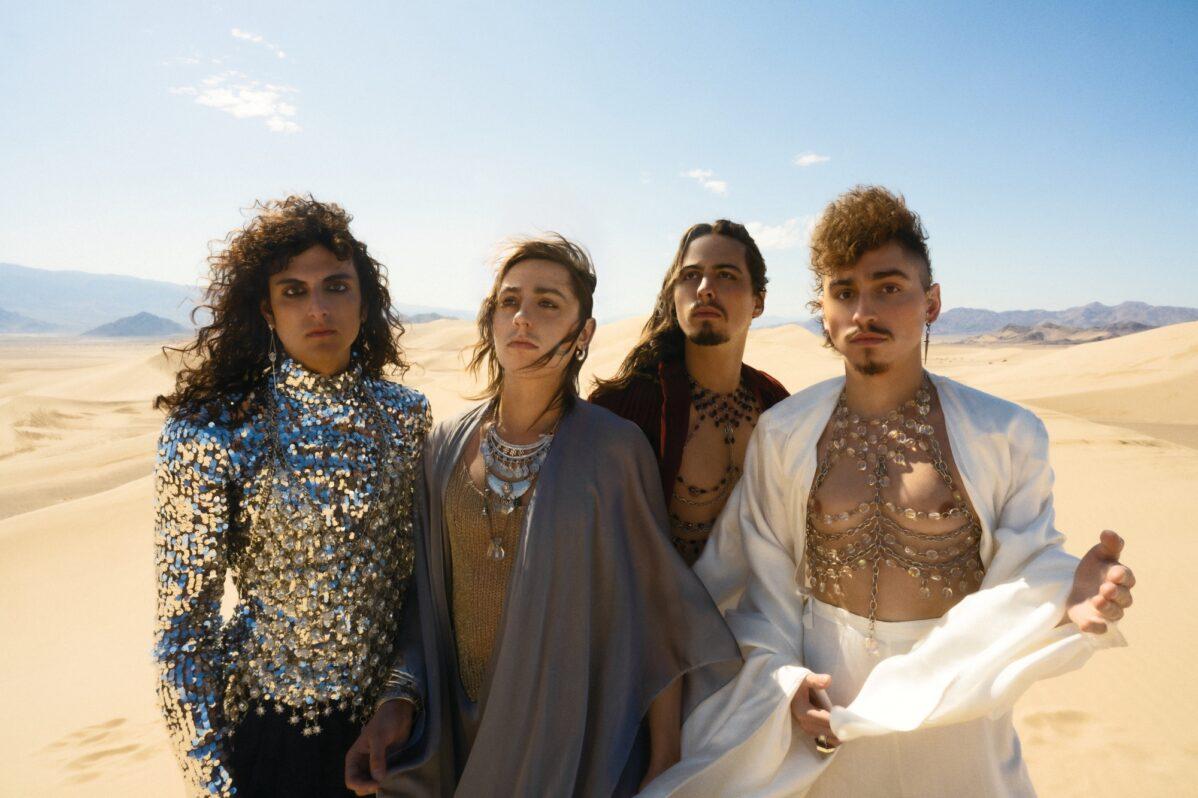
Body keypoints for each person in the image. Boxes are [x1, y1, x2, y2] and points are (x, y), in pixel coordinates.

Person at [640, 186, 1136, 797]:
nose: (864, 311)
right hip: (821, 724)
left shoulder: (1006, 434)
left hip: (957, 722)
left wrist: (1066, 591)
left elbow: (1028, 565)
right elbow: (761, 593)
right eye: (844, 291)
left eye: (889, 287)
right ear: (822, 310)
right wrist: (785, 680)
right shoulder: (785, 434)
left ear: (932, 302)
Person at [345, 235, 740, 797]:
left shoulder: (615, 451)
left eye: (547, 303)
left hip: (569, 744)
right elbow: (423, 600)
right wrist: (397, 701)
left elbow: (652, 612)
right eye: (509, 301)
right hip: (454, 739)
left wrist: (664, 759)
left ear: (584, 333)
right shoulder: (443, 446)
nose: (522, 317)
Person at [153, 196, 430, 797]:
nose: (318, 309)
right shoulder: (213, 429)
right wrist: (213, 784)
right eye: (294, 292)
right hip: (272, 744)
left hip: (397, 740)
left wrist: (403, 696)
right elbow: (183, 632)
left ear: (365, 301)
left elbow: (422, 586)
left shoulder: (406, 417)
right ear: (266, 309)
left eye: (336, 286)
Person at [591, 221, 789, 566]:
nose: (705, 289)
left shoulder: (776, 407)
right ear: (674, 294)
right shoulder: (625, 409)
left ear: (758, 302)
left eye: (725, 275)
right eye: (691, 276)